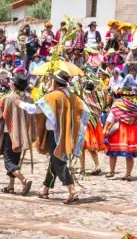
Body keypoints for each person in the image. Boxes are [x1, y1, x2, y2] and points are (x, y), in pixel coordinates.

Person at [20, 71, 87, 203]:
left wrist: (20, 104)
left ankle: (72, 190)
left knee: (58, 162)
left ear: (55, 82)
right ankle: (45, 189)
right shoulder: (73, 97)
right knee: (54, 161)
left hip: (54, 135)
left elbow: (36, 109)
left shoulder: (53, 95)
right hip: (66, 133)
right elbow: (85, 110)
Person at [0, 70, 36, 195]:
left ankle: (24, 180)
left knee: (9, 162)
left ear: (14, 85)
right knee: (15, 161)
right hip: (22, 135)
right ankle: (11, 186)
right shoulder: (29, 99)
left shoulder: (8, 98)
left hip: (10, 134)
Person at [105, 88, 137, 180]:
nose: (128, 98)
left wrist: (105, 128)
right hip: (129, 129)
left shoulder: (118, 104)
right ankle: (126, 174)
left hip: (122, 128)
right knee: (127, 152)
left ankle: (114, 172)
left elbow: (110, 116)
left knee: (116, 151)